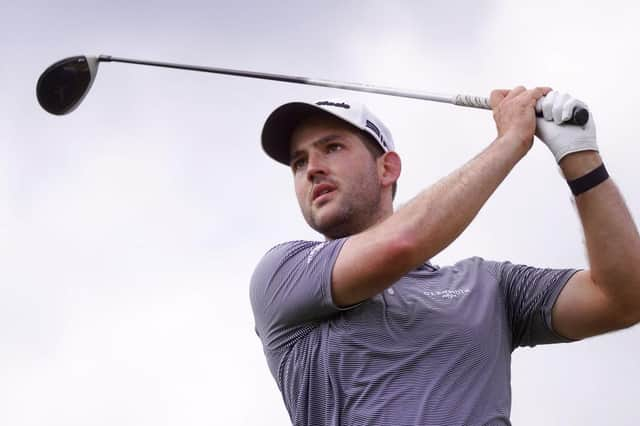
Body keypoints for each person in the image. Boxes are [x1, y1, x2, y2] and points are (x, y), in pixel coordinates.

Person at [249, 88, 640, 426]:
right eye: (299, 162)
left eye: (332, 148)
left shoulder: (489, 287)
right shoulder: (282, 274)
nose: (312, 169)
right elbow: (402, 243)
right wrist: (510, 142)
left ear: (387, 168)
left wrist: (579, 156)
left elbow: (621, 299)